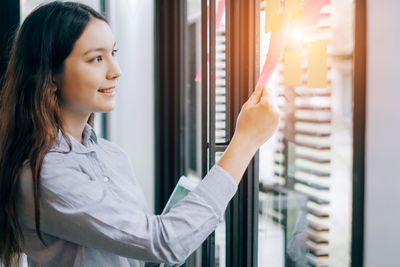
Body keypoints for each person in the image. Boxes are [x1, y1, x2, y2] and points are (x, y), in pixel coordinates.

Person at [0, 1, 279, 267]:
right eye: (96, 58)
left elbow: (153, 250)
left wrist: (175, 232)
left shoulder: (111, 155)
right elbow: (165, 243)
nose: (116, 71)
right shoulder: (46, 174)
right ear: (49, 76)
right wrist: (245, 141)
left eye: (113, 53)